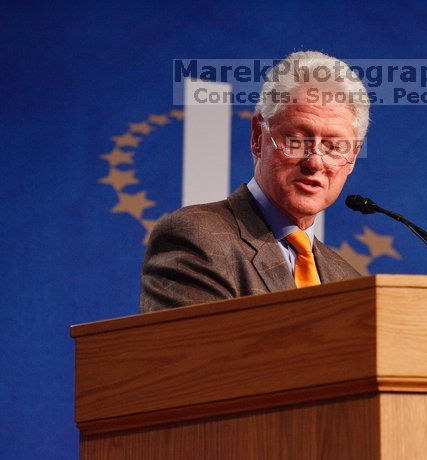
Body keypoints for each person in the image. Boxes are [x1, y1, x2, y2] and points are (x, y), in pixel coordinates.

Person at [140, 51, 370, 312]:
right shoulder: (198, 237)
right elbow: (194, 350)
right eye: (296, 140)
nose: (315, 162)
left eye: (333, 147)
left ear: (351, 159)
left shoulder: (349, 279)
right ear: (258, 137)